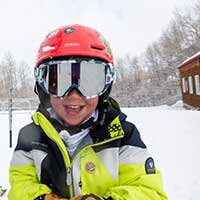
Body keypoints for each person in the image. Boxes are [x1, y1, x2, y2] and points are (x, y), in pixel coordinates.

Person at [8, 24, 168, 200]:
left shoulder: (122, 135)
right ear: (44, 88)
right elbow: (20, 186)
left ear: (105, 87)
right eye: (59, 82)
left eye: (90, 82)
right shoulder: (31, 137)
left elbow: (149, 191)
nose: (74, 95)